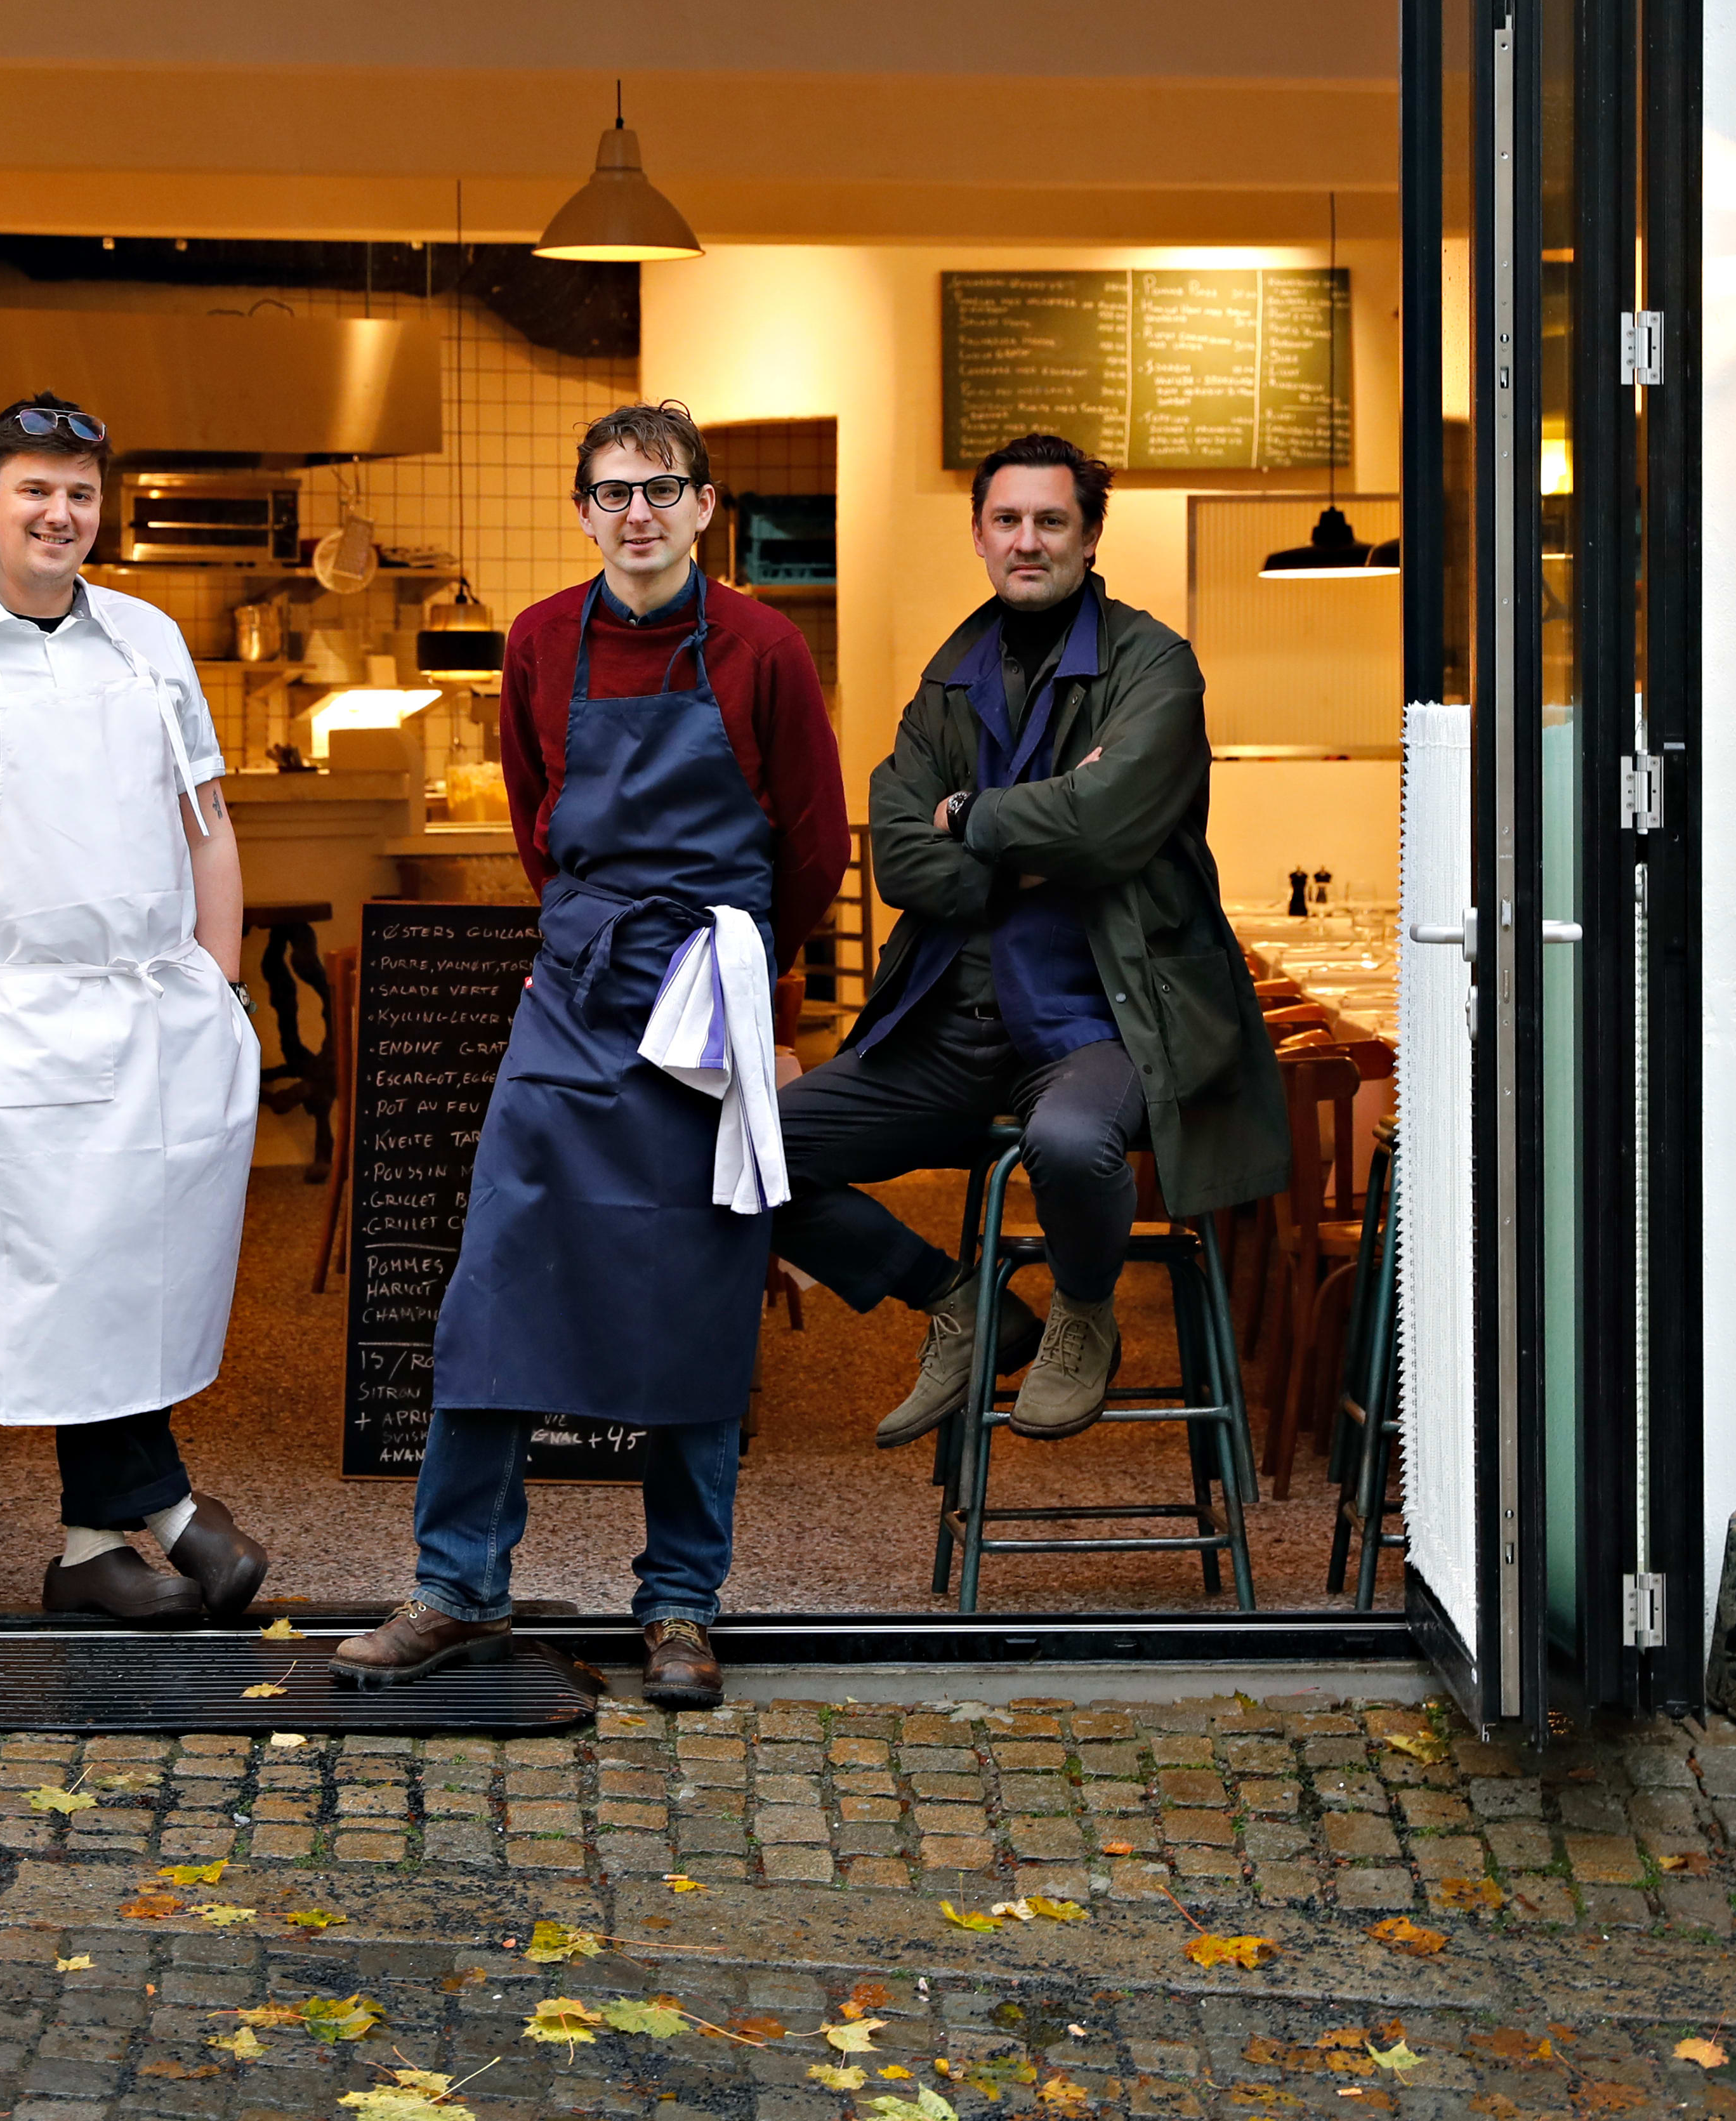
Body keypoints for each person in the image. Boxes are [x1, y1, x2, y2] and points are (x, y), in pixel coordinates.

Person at [334, 403, 847, 1711]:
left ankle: (679, 1605)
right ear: (582, 510)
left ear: (704, 507)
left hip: (703, 1012)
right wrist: (590, 947)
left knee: (696, 1305)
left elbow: (814, 845)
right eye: (614, 492)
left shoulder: (764, 648)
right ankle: (456, 1589)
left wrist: (730, 978)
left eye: (663, 490)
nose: (639, 514)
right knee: (494, 1292)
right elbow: (535, 822)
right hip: (567, 1010)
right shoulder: (537, 640)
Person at [762, 431, 1286, 1445]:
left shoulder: (1155, 665)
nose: (1027, 540)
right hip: (949, 1022)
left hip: (1103, 1023)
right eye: (1007, 520)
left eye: (1051, 520)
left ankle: (1083, 1314)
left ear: (1090, 537)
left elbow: (1109, 821)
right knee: (746, 1152)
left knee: (1070, 1142)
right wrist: (1038, 837)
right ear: (977, 535)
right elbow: (902, 857)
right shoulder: (947, 679)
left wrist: (974, 815)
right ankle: (961, 1304)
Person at [0, 392, 272, 1625]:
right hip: (12, 1015)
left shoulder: (151, 640)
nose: (59, 511)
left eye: (81, 493)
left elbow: (208, 822)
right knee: (71, 1265)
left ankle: (94, 1548)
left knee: (144, 1269)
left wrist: (224, 990)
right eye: (33, 488)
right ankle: (169, 1512)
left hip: (160, 1010)